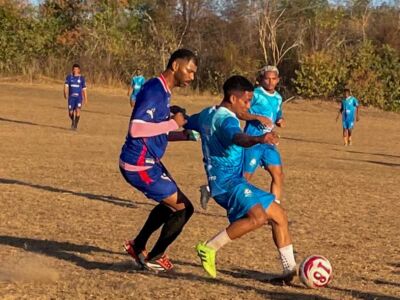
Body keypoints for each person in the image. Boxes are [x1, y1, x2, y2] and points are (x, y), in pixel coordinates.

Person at [185, 75, 297, 284]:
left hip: (231, 181)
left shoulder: (207, 113)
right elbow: (238, 138)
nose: (248, 107)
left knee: (279, 215)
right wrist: (258, 138)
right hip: (227, 184)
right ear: (233, 99)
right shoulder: (227, 120)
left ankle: (289, 271)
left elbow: (187, 120)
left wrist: (173, 114)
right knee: (258, 217)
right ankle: (209, 247)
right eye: (246, 101)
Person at [119, 49, 198, 272]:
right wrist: (174, 124)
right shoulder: (155, 90)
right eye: (189, 71)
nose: (192, 76)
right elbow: (136, 129)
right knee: (184, 208)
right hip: (140, 165)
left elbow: (154, 131)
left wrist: (184, 134)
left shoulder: (163, 90)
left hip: (148, 161)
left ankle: (138, 246)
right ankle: (155, 256)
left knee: (172, 203)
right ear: (175, 66)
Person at [241, 65, 285, 203]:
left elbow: (277, 113)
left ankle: (275, 208)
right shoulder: (254, 94)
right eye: (267, 79)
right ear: (261, 79)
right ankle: (240, 206)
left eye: (273, 79)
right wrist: (257, 117)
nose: (270, 82)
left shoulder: (278, 97)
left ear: (278, 80)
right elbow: (241, 113)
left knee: (278, 175)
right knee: (244, 179)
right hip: (253, 142)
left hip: (268, 143)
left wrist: (279, 119)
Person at [64, 64, 88, 130]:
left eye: (77, 69)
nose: (75, 70)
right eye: (74, 69)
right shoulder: (69, 77)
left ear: (79, 70)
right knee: (70, 112)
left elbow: (84, 89)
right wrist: (65, 93)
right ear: (72, 69)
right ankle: (73, 121)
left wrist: (86, 99)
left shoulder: (82, 78)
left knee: (78, 111)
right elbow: (66, 86)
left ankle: (75, 125)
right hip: (71, 98)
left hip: (79, 98)